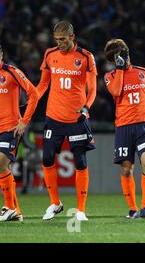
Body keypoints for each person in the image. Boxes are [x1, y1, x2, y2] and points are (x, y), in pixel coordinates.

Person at [36, 21, 97, 221]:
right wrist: (32, 99)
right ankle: (55, 204)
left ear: (72, 37)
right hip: (53, 117)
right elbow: (43, 83)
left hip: (76, 118)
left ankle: (81, 209)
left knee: (80, 161)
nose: (60, 43)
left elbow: (93, 88)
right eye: (57, 40)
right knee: (46, 158)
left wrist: (87, 107)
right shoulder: (49, 54)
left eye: (63, 39)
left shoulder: (86, 57)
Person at [104, 39, 145, 219]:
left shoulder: (143, 72)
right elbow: (116, 92)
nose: (123, 57)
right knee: (127, 169)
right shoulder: (110, 76)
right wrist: (120, 69)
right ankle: (132, 208)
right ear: (113, 60)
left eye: (124, 53)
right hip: (123, 127)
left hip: (144, 126)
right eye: (118, 56)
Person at [0, 44, 38, 222]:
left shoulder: (11, 72)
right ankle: (16, 211)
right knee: (2, 168)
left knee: (0, 163)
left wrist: (24, 121)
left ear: (1, 54)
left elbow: (34, 94)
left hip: (10, 128)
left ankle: (8, 207)